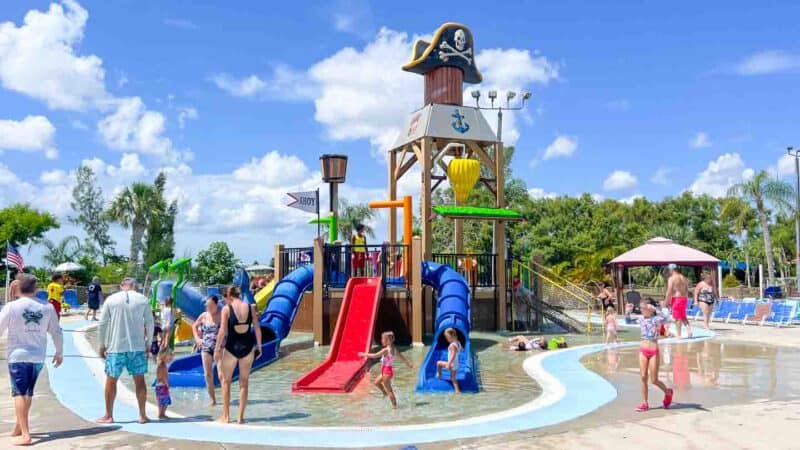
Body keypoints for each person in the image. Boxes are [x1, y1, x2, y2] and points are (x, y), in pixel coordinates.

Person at [0, 274, 63, 446]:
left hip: (18, 356)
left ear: (18, 288)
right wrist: (59, 352)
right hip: (38, 356)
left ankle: (26, 434)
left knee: (19, 393)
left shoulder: (11, 306)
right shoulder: (48, 307)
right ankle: (19, 427)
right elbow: (56, 331)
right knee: (27, 392)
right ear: (36, 289)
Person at [96, 278, 155, 424]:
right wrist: (149, 343)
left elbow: (102, 324)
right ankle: (142, 415)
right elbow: (150, 322)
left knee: (111, 380)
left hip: (116, 347)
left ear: (121, 286)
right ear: (134, 286)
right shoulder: (143, 299)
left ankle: (108, 415)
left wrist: (101, 344)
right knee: (139, 380)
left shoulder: (111, 299)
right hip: (137, 347)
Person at [214, 286, 262, 424]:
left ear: (228, 296)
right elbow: (257, 328)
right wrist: (259, 347)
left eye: (224, 298)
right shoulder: (250, 307)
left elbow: (222, 331)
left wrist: (217, 349)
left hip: (231, 349)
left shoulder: (226, 309)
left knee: (225, 381)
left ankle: (226, 416)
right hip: (248, 348)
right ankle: (240, 418)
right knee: (244, 383)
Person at [635, 297, 673, 412]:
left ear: (650, 309)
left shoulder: (656, 319)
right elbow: (628, 321)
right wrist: (627, 312)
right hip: (643, 350)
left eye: (643, 308)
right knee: (643, 377)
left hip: (653, 351)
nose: (641, 310)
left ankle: (668, 392)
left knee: (654, 380)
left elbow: (667, 319)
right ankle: (644, 403)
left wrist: (656, 309)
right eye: (640, 308)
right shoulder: (641, 318)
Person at [359, 331, 412, 408]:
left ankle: (395, 407)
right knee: (376, 382)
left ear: (387, 340)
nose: (381, 340)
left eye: (383, 339)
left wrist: (363, 354)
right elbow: (402, 358)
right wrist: (408, 364)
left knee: (390, 390)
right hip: (387, 371)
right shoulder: (394, 349)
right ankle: (385, 393)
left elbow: (374, 355)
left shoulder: (386, 350)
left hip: (386, 372)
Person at [192, 295, 221, 406]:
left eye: (210, 305)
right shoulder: (204, 316)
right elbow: (194, 326)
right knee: (207, 374)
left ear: (216, 305)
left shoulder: (222, 314)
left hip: (219, 347)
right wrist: (197, 338)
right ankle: (212, 399)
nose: (207, 307)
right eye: (206, 305)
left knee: (221, 374)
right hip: (206, 347)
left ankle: (225, 396)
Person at [664, 264, 692, 339]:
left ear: (671, 270)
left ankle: (679, 335)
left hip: (677, 299)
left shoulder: (672, 278)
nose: (669, 272)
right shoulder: (683, 277)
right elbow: (687, 290)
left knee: (677, 318)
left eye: (669, 270)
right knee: (683, 316)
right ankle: (689, 330)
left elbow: (669, 291)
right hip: (684, 299)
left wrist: (666, 302)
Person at [436, 328, 463, 393]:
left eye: (447, 337)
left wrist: (449, 363)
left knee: (438, 363)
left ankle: (440, 375)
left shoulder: (452, 345)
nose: (447, 339)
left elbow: (453, 355)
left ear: (452, 336)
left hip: (452, 364)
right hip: (456, 364)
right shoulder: (458, 343)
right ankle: (457, 390)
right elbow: (461, 349)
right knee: (453, 378)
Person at [154, 347, 174, 420]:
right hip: (162, 386)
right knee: (165, 401)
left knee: (161, 400)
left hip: (158, 385)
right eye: (170, 357)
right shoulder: (163, 365)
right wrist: (167, 384)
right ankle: (161, 414)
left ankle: (161, 413)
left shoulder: (160, 364)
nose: (171, 359)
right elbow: (164, 376)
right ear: (164, 356)